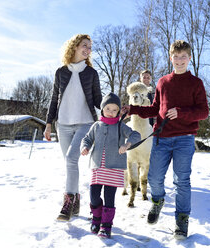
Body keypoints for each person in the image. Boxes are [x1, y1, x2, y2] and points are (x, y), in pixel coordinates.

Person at [122, 40, 209, 240]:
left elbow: (203, 112)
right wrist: (133, 109)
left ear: (189, 58)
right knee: (153, 178)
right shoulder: (163, 82)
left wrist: (181, 113)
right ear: (171, 58)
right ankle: (158, 201)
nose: (179, 61)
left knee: (181, 181)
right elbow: (154, 109)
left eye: (183, 57)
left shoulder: (196, 83)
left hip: (184, 140)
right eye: (176, 57)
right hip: (161, 139)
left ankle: (181, 219)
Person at [44, 34, 102, 221]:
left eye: (90, 47)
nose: (88, 49)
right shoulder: (61, 71)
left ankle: (67, 203)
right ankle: (75, 199)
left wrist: (113, 107)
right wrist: (48, 123)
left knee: (71, 158)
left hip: (85, 123)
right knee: (70, 164)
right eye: (84, 45)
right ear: (74, 47)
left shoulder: (91, 73)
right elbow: (54, 99)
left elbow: (99, 99)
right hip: (63, 125)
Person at [81, 93, 140, 238]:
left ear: (119, 111)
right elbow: (87, 138)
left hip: (114, 168)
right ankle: (97, 218)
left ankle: (106, 226)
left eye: (115, 110)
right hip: (98, 167)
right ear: (102, 109)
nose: (111, 112)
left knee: (109, 198)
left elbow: (136, 135)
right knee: (94, 196)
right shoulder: (96, 125)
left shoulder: (121, 126)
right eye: (108, 109)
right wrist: (85, 147)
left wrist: (127, 144)